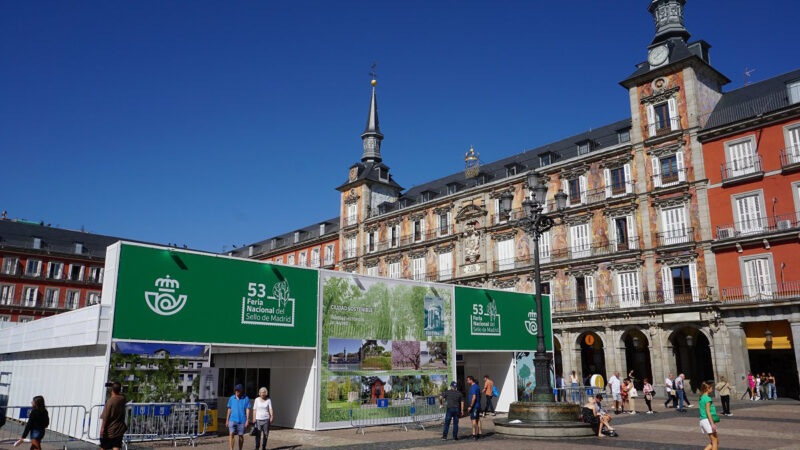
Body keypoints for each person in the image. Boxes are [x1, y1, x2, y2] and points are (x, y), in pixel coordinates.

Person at [99, 382, 127, 450]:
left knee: (104, 447)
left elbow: (105, 417)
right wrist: (116, 388)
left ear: (111, 389)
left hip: (110, 430)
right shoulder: (122, 399)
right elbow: (122, 394)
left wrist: (102, 429)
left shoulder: (110, 401)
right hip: (119, 429)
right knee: (116, 446)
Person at [226, 384, 250, 450]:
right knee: (231, 434)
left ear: (241, 390)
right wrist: (227, 420)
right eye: (236, 390)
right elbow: (229, 409)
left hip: (242, 420)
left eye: (239, 390)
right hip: (232, 419)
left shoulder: (246, 398)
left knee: (241, 436)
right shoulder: (231, 398)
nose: (237, 391)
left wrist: (247, 420)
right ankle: (231, 449)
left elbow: (247, 409)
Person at [699, 381, 720, 450]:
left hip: (703, 420)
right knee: (715, 441)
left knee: (716, 441)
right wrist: (712, 424)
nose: (712, 389)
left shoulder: (702, 397)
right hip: (707, 420)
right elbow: (708, 412)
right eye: (711, 388)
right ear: (707, 389)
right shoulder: (708, 399)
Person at [466, 376, 482, 440]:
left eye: (468, 380)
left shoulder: (473, 387)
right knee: (478, 419)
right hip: (477, 406)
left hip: (474, 407)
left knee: (473, 420)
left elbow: (474, 397)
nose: (467, 382)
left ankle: (474, 434)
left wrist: (470, 406)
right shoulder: (477, 386)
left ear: (471, 380)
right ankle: (480, 433)